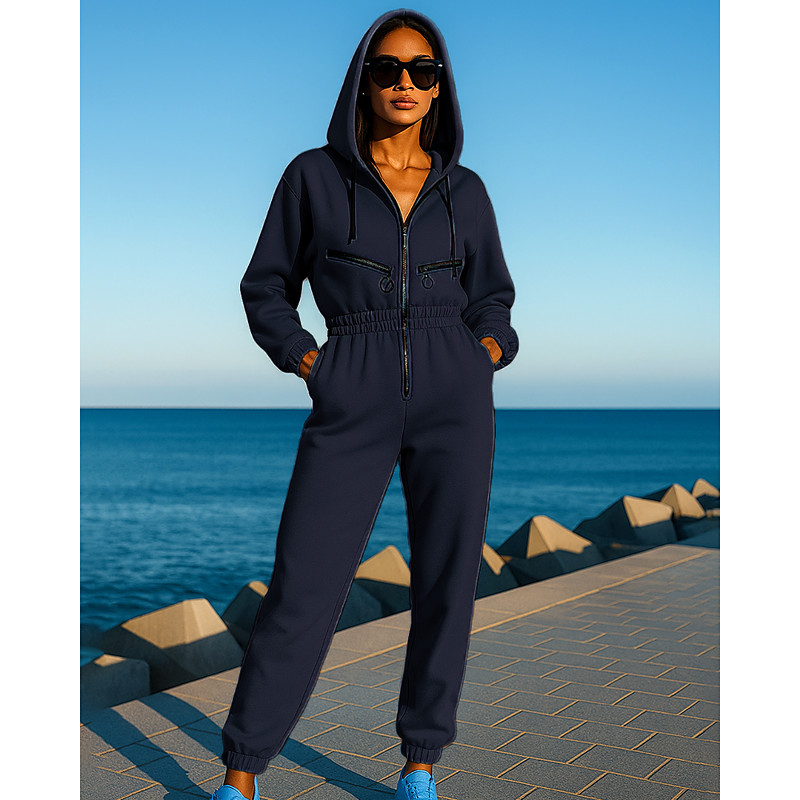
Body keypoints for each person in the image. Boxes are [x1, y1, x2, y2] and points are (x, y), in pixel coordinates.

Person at [212, 8, 519, 800]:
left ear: (440, 85)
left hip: (455, 397)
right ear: (363, 79)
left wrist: (484, 352)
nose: (405, 82)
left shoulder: (467, 192)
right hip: (352, 390)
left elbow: (493, 295)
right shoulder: (313, 177)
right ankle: (241, 774)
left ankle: (421, 763)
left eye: (423, 69)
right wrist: (310, 359)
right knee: (304, 583)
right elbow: (265, 287)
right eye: (388, 68)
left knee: (447, 582)